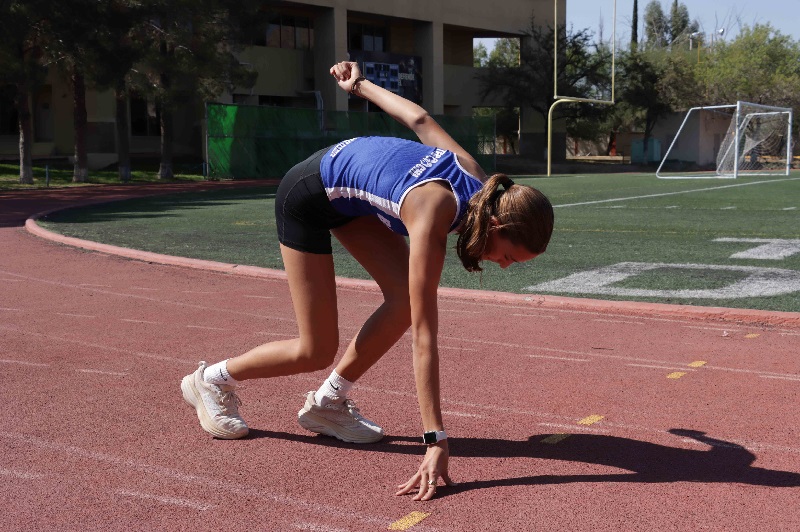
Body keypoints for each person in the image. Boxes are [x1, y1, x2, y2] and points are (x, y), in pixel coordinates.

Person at [181, 60, 554, 501]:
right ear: (494, 226)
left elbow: (420, 120)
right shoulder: (433, 213)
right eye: (508, 256)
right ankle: (211, 380)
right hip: (307, 196)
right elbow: (425, 339)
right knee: (314, 348)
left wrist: (362, 86)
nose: (505, 267)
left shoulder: (478, 179)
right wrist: (435, 438)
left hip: (348, 192)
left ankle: (327, 404)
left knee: (402, 300)